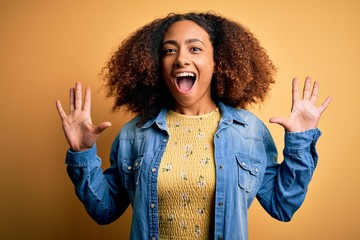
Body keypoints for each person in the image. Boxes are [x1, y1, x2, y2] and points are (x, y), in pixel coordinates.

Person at [55, 12, 332, 240]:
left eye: (195, 48)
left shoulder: (249, 132)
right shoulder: (134, 134)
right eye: (169, 50)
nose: (181, 59)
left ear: (217, 63)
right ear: (157, 65)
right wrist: (83, 154)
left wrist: (299, 142)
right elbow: (105, 210)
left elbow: (282, 206)